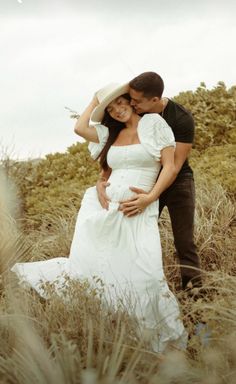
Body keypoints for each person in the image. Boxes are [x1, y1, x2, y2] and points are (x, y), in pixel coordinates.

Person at [11, 83, 187, 353]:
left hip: (138, 207)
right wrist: (97, 98)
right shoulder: (109, 133)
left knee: (146, 273)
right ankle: (110, 327)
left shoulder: (153, 124)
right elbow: (80, 128)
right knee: (98, 268)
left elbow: (170, 166)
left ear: (131, 100)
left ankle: (151, 335)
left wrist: (150, 197)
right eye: (111, 107)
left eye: (120, 102)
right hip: (104, 207)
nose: (117, 109)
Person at [96, 72, 202, 290]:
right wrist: (102, 179)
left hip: (177, 181)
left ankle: (196, 295)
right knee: (136, 238)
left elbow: (174, 166)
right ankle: (135, 287)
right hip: (146, 180)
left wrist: (151, 197)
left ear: (154, 100)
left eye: (137, 101)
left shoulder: (181, 118)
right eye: (131, 99)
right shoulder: (136, 111)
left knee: (184, 241)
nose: (132, 104)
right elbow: (121, 153)